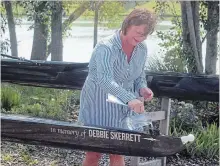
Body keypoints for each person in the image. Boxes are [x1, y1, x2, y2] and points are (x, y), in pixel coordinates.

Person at [78, 8, 157, 166]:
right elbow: (105, 80)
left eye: (144, 34)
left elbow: (139, 76)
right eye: (138, 32)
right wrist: (130, 99)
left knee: (118, 150)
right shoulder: (105, 48)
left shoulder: (142, 48)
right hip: (98, 103)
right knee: (94, 152)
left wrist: (143, 88)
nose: (141, 37)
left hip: (122, 107)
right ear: (127, 25)